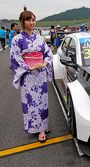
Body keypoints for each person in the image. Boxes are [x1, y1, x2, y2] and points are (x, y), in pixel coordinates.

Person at [10, 11, 53, 142]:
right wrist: (29, 67)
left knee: (43, 102)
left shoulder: (39, 37)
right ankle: (35, 127)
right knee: (31, 103)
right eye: (28, 20)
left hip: (40, 76)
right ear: (22, 22)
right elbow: (15, 58)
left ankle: (42, 128)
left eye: (33, 20)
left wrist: (45, 62)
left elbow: (48, 52)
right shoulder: (17, 39)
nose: (32, 22)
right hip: (28, 77)